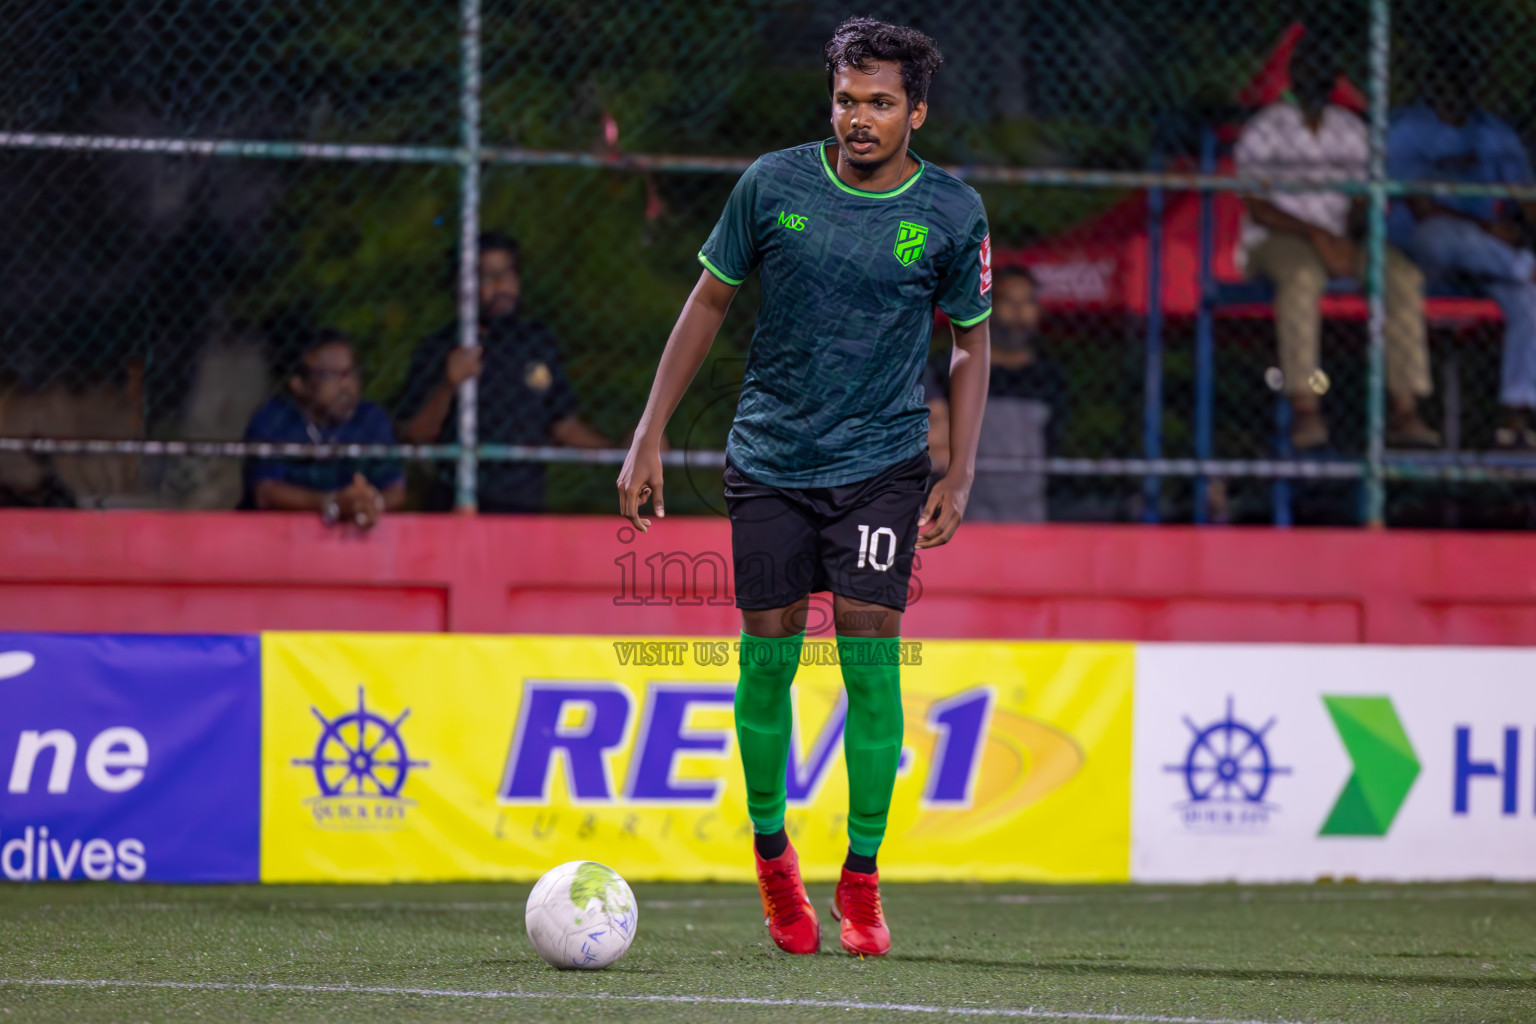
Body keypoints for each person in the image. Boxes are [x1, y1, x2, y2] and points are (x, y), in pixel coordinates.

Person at [617, 18, 990, 957]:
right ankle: (774, 857)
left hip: (883, 468)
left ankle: (861, 880)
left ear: (916, 111)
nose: (859, 118)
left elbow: (971, 343)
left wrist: (961, 467)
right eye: (846, 99)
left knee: (871, 664)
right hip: (772, 462)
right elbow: (707, 301)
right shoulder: (771, 184)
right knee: (769, 661)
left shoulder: (952, 211)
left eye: (880, 102)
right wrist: (650, 431)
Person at [1235, 34, 1438, 451]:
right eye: (1310, 68)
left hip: (1339, 238)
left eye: (1326, 70)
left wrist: (1348, 236)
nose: (1318, 77)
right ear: (1294, 75)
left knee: (1399, 273)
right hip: (1279, 238)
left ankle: (1404, 407)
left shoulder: (1350, 129)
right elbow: (1258, 206)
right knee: (1303, 275)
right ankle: (1305, 405)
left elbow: (1365, 197)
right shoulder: (1267, 126)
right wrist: (1317, 235)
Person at [396, 231, 608, 512]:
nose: (501, 286)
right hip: (456, 503)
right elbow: (414, 434)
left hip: (523, 503)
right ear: (461, 287)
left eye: (507, 274)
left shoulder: (535, 343)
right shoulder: (439, 347)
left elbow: (562, 424)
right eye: (487, 277)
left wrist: (619, 454)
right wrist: (448, 385)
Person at [1388, 48, 1536, 448]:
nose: (1454, 89)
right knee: (1443, 233)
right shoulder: (1408, 129)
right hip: (1425, 254)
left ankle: (1517, 416)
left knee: (1529, 298)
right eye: (1446, 78)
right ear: (1430, 83)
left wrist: (1511, 230)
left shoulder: (1494, 132)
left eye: (1464, 79)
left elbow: (1527, 201)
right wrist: (1491, 229)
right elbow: (1421, 208)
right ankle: (1523, 266)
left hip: (1489, 261)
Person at [926, 266, 1065, 520]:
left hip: (1030, 516)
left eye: (1027, 303)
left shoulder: (1049, 376)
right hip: (964, 513)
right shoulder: (954, 367)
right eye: (1008, 302)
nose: (1018, 313)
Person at [241, 328, 404, 529]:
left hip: (358, 536)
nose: (347, 384)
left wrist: (368, 504)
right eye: (332, 375)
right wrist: (332, 503)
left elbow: (395, 489)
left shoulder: (370, 418)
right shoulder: (274, 418)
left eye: (352, 372)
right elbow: (266, 493)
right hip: (278, 537)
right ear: (298, 384)